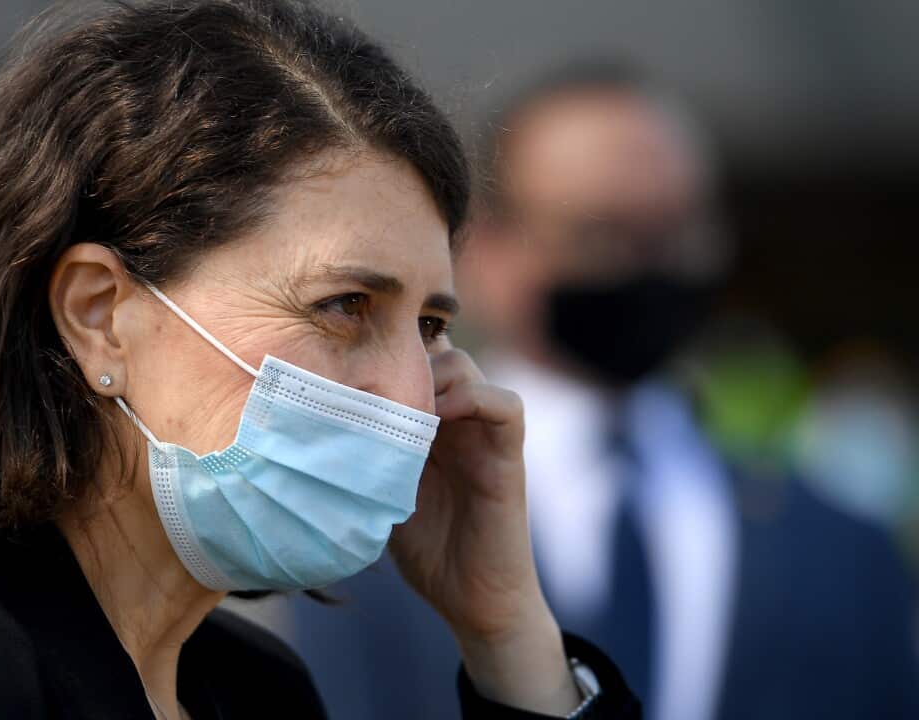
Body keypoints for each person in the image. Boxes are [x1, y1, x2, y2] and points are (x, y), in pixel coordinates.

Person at [0, 3, 642, 719]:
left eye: (432, 327)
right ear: (99, 318)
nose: (409, 395)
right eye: (344, 307)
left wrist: (507, 628)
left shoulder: (254, 688)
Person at [287, 60, 919, 720]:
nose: (644, 266)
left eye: (674, 231)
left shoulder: (845, 544)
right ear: (488, 248)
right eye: (600, 234)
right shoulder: (372, 521)